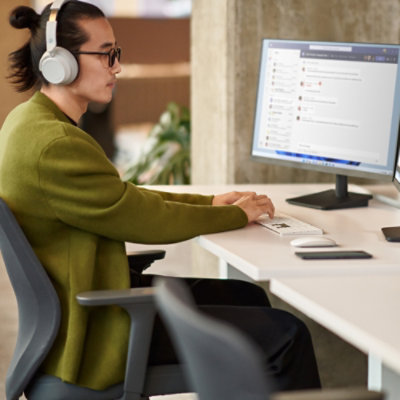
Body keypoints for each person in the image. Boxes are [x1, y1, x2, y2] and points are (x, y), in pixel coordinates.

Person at [0, 0, 321, 394]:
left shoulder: (30, 121)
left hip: (86, 305)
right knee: (287, 335)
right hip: (94, 335)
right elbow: (143, 218)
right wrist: (236, 216)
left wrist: (211, 203)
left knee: (248, 295)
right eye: (106, 56)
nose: (117, 67)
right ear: (58, 63)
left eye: (116, 54)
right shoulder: (55, 144)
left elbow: (120, 198)